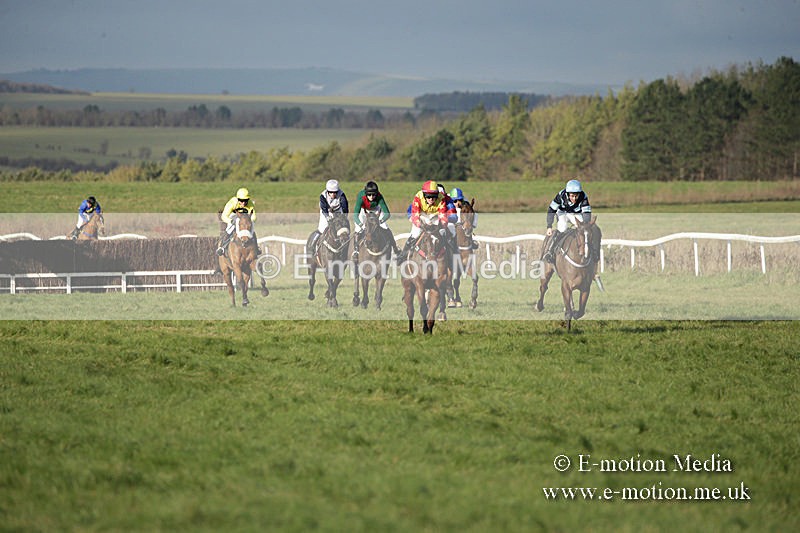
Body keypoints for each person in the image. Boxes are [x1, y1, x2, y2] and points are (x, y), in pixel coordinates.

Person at [396, 180, 456, 263]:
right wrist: (421, 225)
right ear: (424, 195)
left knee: (443, 233)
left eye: (434, 196)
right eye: (428, 196)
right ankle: (403, 256)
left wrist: (441, 225)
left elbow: (443, 215)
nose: (431, 199)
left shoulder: (441, 198)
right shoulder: (418, 197)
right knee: (415, 234)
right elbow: (415, 214)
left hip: (435, 217)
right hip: (422, 216)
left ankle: (452, 256)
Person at [541, 179, 592, 263]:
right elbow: (551, 210)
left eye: (576, 196)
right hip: (562, 213)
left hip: (575, 214)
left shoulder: (583, 196)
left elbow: (586, 213)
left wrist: (585, 226)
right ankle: (550, 252)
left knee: (584, 229)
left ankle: (590, 251)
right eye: (572, 196)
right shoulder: (560, 196)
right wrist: (549, 226)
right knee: (562, 228)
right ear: (568, 194)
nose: (574, 198)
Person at [352, 180, 401, 260]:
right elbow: (355, 216)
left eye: (374, 194)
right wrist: (361, 224)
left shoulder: (379, 197)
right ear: (366, 193)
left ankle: (395, 249)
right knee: (357, 229)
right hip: (364, 211)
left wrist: (380, 221)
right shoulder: (361, 197)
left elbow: (387, 214)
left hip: (376, 210)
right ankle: (356, 251)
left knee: (385, 227)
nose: (371, 197)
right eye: (369, 194)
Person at [308, 179, 349, 253]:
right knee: (322, 229)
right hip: (326, 212)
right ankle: (312, 244)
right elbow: (324, 209)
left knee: (343, 229)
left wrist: (343, 218)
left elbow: (345, 208)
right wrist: (328, 218)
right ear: (327, 191)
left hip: (338, 212)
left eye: (335, 192)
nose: (333, 194)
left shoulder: (342, 195)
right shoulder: (323, 196)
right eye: (331, 192)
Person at [216, 187, 259, 256]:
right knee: (230, 228)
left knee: (252, 229)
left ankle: (256, 248)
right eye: (241, 200)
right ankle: (222, 247)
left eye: (245, 200)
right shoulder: (232, 203)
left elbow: (254, 216)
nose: (243, 203)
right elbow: (223, 216)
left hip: (245, 217)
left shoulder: (250, 203)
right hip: (232, 216)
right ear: (238, 199)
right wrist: (231, 221)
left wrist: (250, 221)